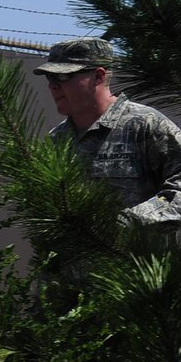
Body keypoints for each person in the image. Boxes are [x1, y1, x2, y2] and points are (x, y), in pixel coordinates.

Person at [34, 37, 181, 250]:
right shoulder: (56, 141)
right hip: (76, 269)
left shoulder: (145, 125)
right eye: (50, 77)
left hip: (137, 265)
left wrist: (128, 223)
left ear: (98, 76)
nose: (53, 86)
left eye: (63, 76)